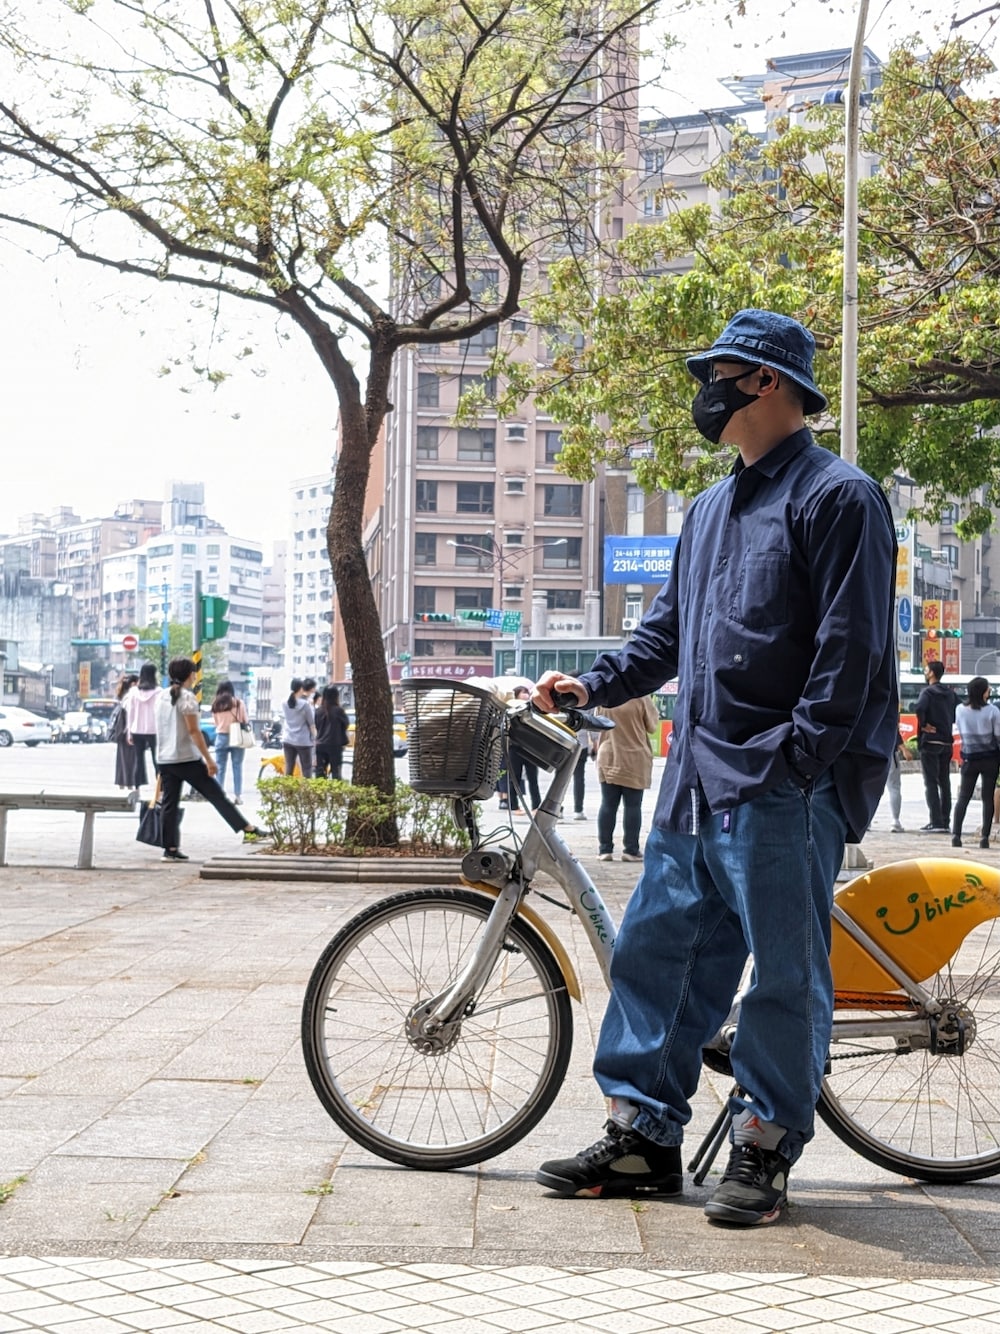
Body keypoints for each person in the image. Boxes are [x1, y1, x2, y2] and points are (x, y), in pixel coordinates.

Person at [530, 309, 897, 1227]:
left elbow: (850, 650)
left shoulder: (839, 497)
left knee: (781, 974)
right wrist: (594, 682)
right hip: (694, 774)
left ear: (766, 381)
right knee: (661, 955)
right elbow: (669, 634)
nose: (705, 390)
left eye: (718, 373)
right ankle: (645, 1137)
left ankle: (766, 1147)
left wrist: (799, 758)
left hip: (780, 778)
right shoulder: (708, 508)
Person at [155, 658, 266, 862]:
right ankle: (247, 828)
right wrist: (209, 760)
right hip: (186, 758)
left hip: (165, 758)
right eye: (194, 672)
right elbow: (194, 731)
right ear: (190, 675)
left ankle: (169, 849)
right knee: (216, 795)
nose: (195, 675)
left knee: (169, 803)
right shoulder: (187, 698)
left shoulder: (161, 696)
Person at [595, 695, 658, 861]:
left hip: (608, 754)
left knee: (608, 803)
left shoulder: (606, 696)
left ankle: (604, 849)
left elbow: (596, 723)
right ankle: (631, 850)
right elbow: (652, 726)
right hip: (634, 756)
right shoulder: (641, 697)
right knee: (633, 805)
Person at [951, 676, 1000, 849]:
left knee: (963, 797)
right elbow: (998, 736)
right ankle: (984, 838)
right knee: (987, 799)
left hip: (969, 759)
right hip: (990, 759)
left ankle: (956, 835)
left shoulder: (959, 710)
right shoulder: (993, 711)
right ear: (984, 691)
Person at [915, 660, 957, 833]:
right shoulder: (950, 693)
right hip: (946, 742)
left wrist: (924, 724)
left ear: (931, 673)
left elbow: (919, 708)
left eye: (926, 669)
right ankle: (946, 821)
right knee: (945, 782)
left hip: (930, 742)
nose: (925, 672)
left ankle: (936, 821)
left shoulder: (928, 692)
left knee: (931, 783)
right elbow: (958, 710)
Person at [211, 679, 250, 804]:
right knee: (237, 766)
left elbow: (216, 723)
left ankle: (218, 796)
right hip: (236, 737)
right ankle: (238, 797)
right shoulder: (239, 703)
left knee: (220, 767)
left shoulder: (216, 704)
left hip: (221, 737)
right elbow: (245, 720)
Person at [507, 685, 542, 813]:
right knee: (514, 778)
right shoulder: (511, 708)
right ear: (516, 694)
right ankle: (513, 805)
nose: (526, 695)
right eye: (523, 692)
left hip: (531, 748)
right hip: (515, 747)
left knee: (533, 778)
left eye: (527, 692)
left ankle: (536, 805)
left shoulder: (532, 708)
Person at [125, 662, 161, 789]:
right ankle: (160, 789)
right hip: (154, 730)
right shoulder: (159, 692)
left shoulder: (134, 692)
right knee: (157, 760)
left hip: (137, 729)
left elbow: (130, 713)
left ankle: (137, 787)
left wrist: (129, 732)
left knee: (139, 760)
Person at [282, 677, 317, 778]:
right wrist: (315, 738)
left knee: (289, 768)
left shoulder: (284, 702)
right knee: (306, 769)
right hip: (303, 741)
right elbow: (312, 724)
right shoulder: (305, 705)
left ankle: (287, 792)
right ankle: (306, 793)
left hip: (288, 739)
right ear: (301, 689)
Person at [111, 673, 139, 793]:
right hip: (129, 732)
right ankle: (130, 786)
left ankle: (123, 785)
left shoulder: (123, 695)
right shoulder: (131, 697)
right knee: (131, 760)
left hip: (121, 733)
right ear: (133, 684)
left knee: (123, 760)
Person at [315, 685, 350, 779]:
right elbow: (346, 724)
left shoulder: (318, 711)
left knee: (320, 772)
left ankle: (319, 792)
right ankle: (336, 793)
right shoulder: (339, 711)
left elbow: (317, 726)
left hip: (320, 744)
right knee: (336, 771)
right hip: (335, 744)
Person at [884, 729, 907, 833]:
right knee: (894, 788)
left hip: (869, 752)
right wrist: (904, 749)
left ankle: (867, 822)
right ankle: (895, 821)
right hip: (889, 751)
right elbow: (893, 730)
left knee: (869, 788)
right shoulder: (889, 712)